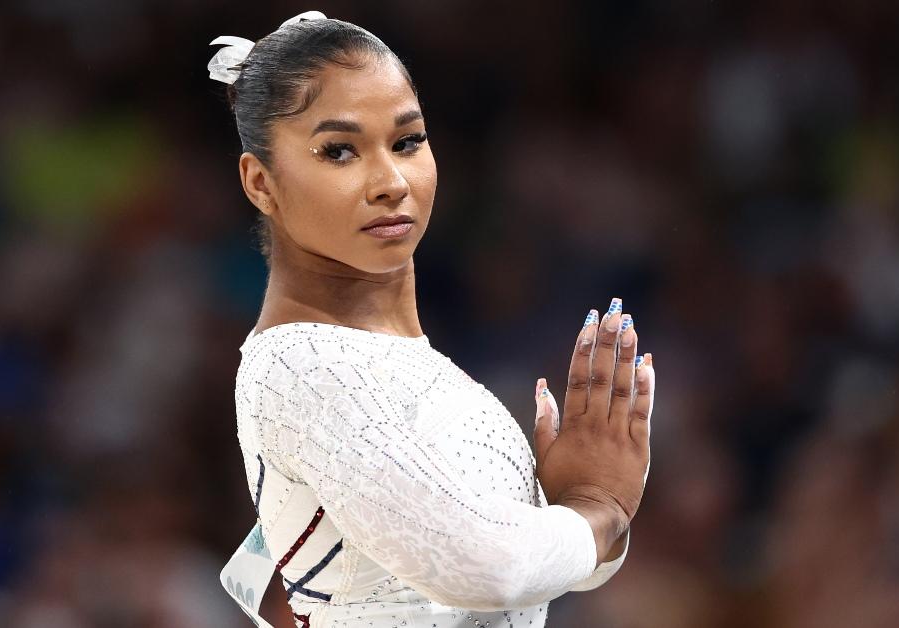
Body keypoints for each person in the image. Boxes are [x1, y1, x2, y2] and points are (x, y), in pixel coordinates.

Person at [210, 11, 655, 627]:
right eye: (339, 151)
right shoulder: (300, 363)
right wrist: (598, 510)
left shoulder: (417, 368)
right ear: (261, 182)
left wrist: (573, 515)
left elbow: (513, 566)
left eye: (407, 141)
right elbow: (487, 569)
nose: (390, 181)